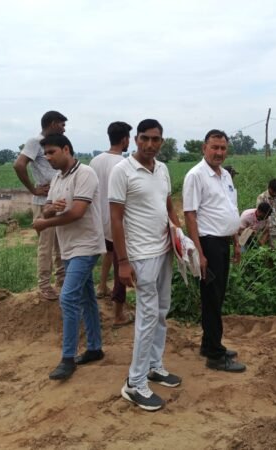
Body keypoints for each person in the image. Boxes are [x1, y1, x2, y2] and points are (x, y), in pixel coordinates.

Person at [110, 119, 182, 411]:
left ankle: (154, 366)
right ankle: (135, 382)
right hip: (140, 255)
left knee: (162, 310)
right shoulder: (122, 171)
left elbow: (167, 206)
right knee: (147, 315)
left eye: (155, 139)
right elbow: (115, 219)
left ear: (162, 141)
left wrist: (178, 237)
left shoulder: (162, 169)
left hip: (164, 250)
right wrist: (122, 262)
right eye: (144, 138)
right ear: (135, 139)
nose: (150, 144)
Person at [32, 134, 105, 381]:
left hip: (86, 245)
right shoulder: (57, 178)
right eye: (45, 154)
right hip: (68, 247)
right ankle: (94, 348)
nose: (48, 157)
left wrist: (44, 223)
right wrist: (49, 210)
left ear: (66, 149)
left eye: (51, 152)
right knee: (86, 298)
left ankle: (67, 358)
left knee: (68, 297)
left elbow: (77, 213)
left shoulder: (85, 174)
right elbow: (48, 208)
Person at [183, 129, 246, 373]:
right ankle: (215, 355)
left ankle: (208, 345)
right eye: (214, 147)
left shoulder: (225, 175)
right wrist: (199, 254)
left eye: (223, 148)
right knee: (211, 298)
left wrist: (236, 241)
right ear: (204, 148)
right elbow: (190, 215)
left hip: (223, 243)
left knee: (217, 297)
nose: (219, 152)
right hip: (208, 243)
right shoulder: (196, 175)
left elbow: (230, 209)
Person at [14, 111, 67, 301]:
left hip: (58, 201)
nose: (64, 129)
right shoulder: (35, 142)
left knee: (61, 244)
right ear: (52, 124)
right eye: (61, 125)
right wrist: (33, 190)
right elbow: (19, 165)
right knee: (46, 245)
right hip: (44, 202)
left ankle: (62, 282)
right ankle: (44, 286)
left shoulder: (54, 143)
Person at [89, 121, 134, 328]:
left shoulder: (95, 161)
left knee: (107, 253)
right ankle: (118, 314)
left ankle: (100, 287)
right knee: (121, 265)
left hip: (98, 220)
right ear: (125, 139)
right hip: (117, 222)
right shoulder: (124, 164)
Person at [256, 178, 276, 246]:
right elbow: (260, 216)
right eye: (273, 191)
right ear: (269, 188)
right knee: (272, 250)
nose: (274, 193)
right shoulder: (262, 198)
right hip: (270, 231)